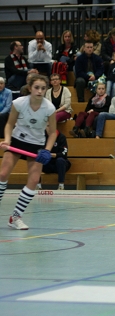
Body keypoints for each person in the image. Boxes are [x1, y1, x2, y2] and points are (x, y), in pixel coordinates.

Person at [0, 74, 56, 230]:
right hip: (17, 141)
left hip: (36, 144)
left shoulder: (49, 108)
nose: (40, 91)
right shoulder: (19, 103)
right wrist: (7, 140)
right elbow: (9, 124)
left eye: (43, 88)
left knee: (34, 180)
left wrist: (47, 150)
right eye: (36, 87)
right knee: (3, 174)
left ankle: (15, 217)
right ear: (30, 88)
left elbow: (52, 133)